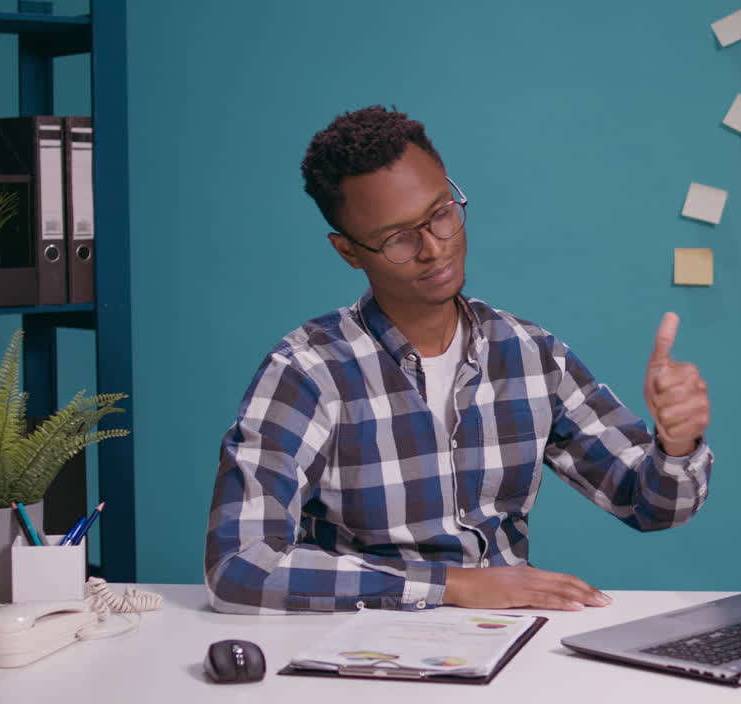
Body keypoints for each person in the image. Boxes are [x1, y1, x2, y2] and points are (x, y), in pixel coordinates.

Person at [205, 106, 713, 614]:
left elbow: (652, 506)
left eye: (441, 213)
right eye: (397, 238)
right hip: (362, 657)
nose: (434, 249)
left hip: (507, 646)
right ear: (348, 251)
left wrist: (676, 444)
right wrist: (452, 585)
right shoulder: (307, 372)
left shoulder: (529, 354)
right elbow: (240, 567)